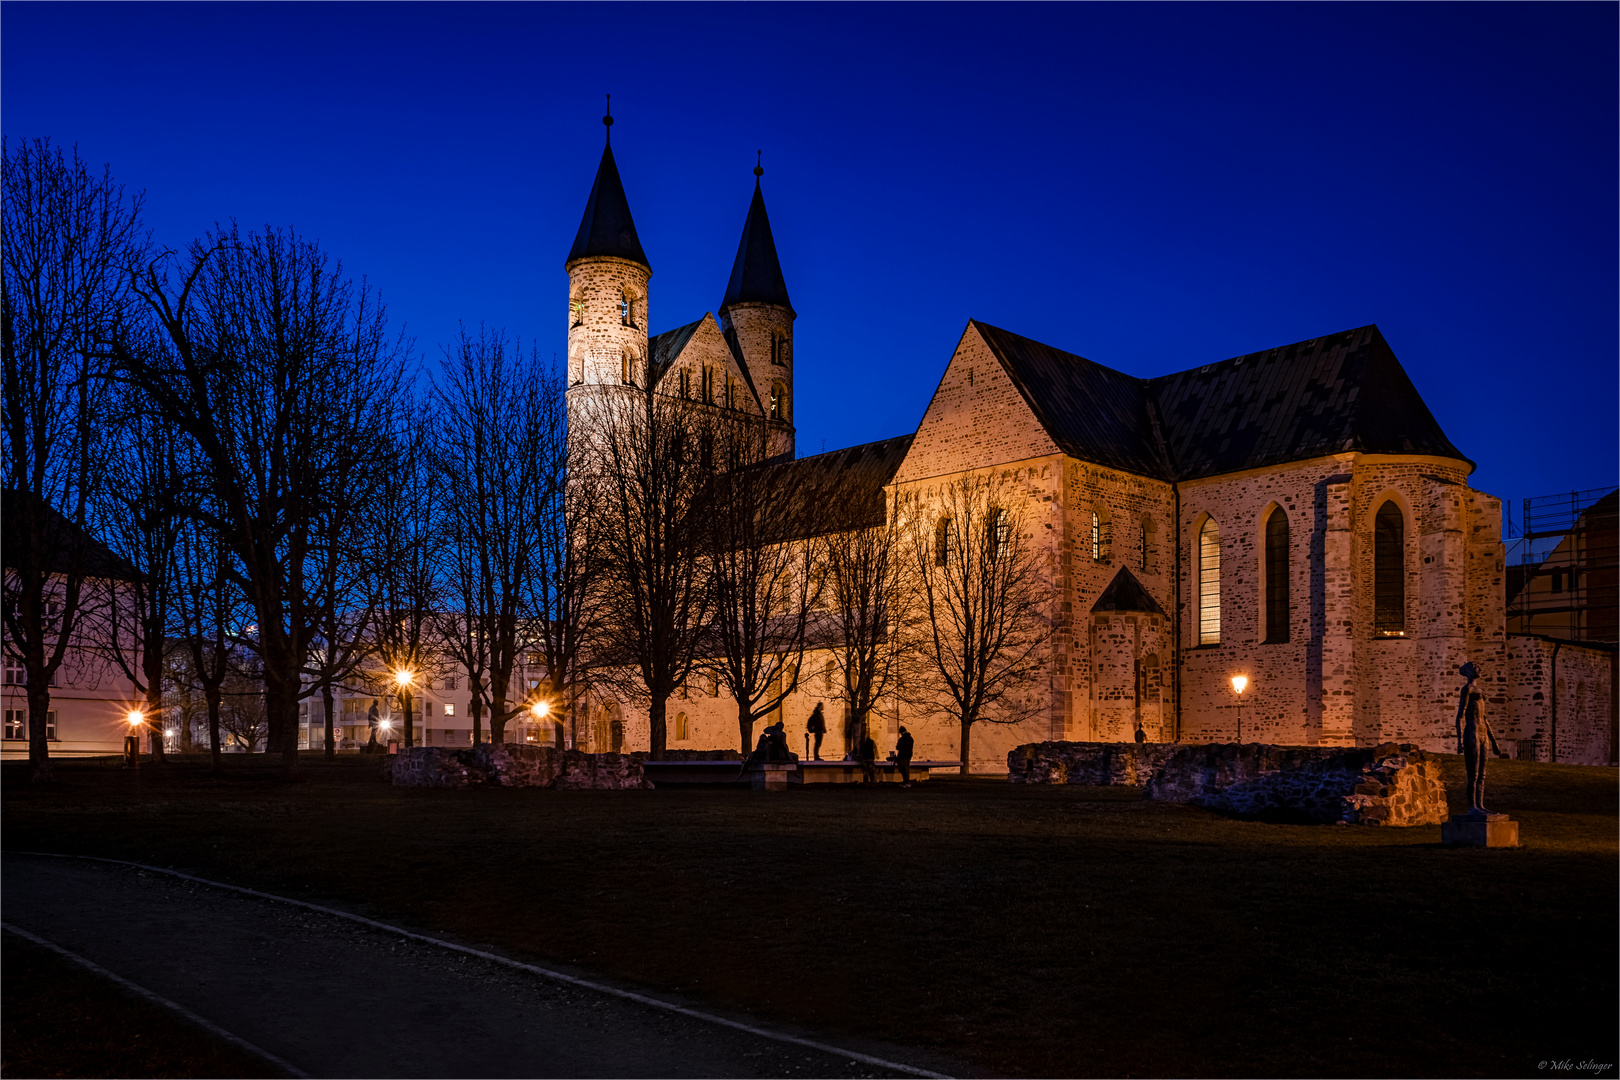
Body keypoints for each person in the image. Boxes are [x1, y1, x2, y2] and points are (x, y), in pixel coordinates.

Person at [1454, 661, 1504, 814]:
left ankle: (1480, 805)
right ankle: (1472, 807)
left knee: (1482, 773)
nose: (1478, 669)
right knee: (1473, 773)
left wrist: (1494, 741)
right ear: (1468, 672)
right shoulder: (1467, 690)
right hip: (1472, 731)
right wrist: (1459, 741)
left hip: (1483, 732)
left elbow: (1485, 717)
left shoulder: (1480, 690)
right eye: (1474, 667)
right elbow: (1460, 715)